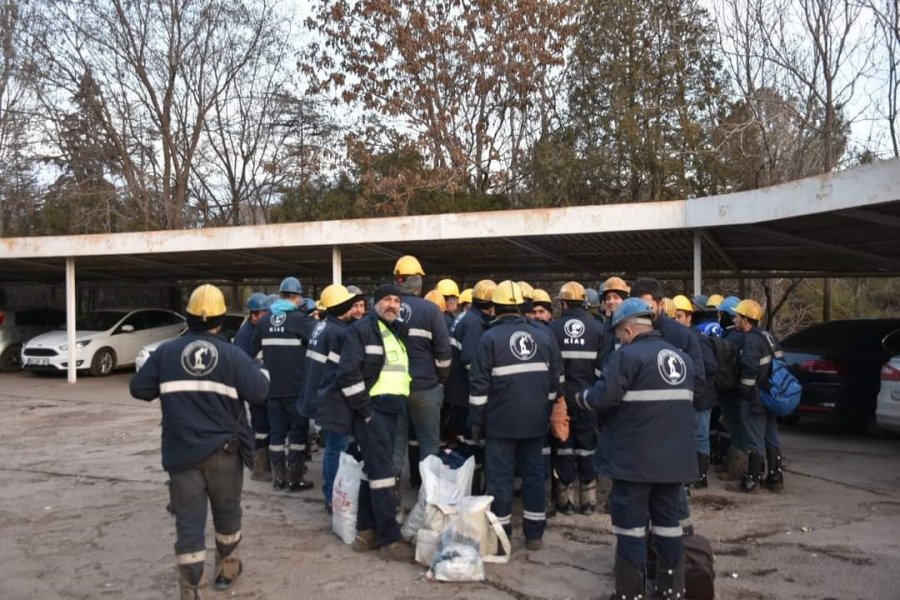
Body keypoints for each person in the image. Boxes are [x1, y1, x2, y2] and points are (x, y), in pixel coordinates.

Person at [130, 284, 269, 599]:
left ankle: (192, 589)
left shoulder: (166, 352)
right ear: (221, 317)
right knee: (227, 514)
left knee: (189, 525)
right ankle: (228, 568)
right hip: (225, 454)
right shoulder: (234, 355)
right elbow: (260, 393)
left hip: (182, 455)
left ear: (189, 316)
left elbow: (139, 389)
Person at [573, 298, 695, 600]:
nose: (618, 340)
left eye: (618, 334)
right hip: (674, 461)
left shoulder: (626, 357)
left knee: (630, 528)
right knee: (668, 525)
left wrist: (580, 398)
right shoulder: (681, 359)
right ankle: (671, 590)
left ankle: (630, 593)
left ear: (628, 330)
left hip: (635, 461)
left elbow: (604, 398)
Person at [468, 280, 562, 551]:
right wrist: (542, 411)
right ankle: (534, 534)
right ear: (524, 306)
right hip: (535, 424)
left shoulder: (488, 339)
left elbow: (479, 389)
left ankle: (501, 535)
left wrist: (477, 423)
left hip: (500, 425)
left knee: (500, 480)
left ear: (495, 307)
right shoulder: (543, 336)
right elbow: (554, 381)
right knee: (534, 477)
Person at [339, 284, 415, 561]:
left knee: (372, 470)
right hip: (374, 412)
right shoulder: (361, 331)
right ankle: (390, 539)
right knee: (383, 474)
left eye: (396, 300)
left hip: (391, 409)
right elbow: (348, 375)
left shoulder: (395, 331)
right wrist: (366, 412)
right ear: (375, 303)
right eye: (386, 299)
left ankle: (367, 531)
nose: (392, 304)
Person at [300, 284, 363, 513]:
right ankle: (332, 498)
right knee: (337, 447)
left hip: (318, 395)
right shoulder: (339, 333)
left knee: (333, 447)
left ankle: (331, 494)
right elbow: (342, 371)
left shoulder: (321, 327)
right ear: (340, 307)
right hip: (332, 399)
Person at [391, 256, 452, 489]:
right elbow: (444, 355)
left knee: (396, 445)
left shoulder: (383, 310)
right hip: (425, 387)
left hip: (393, 389)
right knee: (429, 444)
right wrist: (441, 381)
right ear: (418, 282)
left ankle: (391, 500)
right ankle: (428, 501)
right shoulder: (430, 310)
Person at [251, 276, 316, 492]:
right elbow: (319, 339)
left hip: (272, 389)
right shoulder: (300, 320)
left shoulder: (263, 321)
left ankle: (278, 478)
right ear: (297, 297)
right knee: (297, 435)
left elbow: (253, 352)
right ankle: (294, 479)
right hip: (296, 389)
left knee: (276, 435)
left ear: (280, 295)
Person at [549, 281, 608, 516]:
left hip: (562, 399)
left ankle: (566, 501)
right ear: (585, 303)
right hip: (588, 399)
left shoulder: (553, 328)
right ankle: (589, 500)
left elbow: (554, 368)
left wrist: (560, 394)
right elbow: (602, 369)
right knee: (587, 447)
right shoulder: (598, 329)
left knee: (563, 445)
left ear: (563, 304)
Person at [444, 280, 496, 492]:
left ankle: (467, 489)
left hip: (457, 392)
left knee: (466, 443)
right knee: (472, 444)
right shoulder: (475, 323)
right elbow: (470, 360)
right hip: (466, 394)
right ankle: (472, 493)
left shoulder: (467, 317)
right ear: (490, 305)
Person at [730, 299, 785, 493]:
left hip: (756, 397)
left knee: (754, 436)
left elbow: (749, 370)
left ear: (745, 319)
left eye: (737, 316)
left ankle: (752, 480)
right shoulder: (768, 336)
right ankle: (776, 477)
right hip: (772, 395)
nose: (735, 319)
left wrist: (745, 393)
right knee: (771, 435)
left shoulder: (750, 340)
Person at [672, 295, 718, 489]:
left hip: (701, 396)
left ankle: (700, 476)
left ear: (689, 318)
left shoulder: (698, 339)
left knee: (700, 435)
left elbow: (710, 367)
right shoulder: (672, 338)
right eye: (673, 316)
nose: (676, 321)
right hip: (684, 397)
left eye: (680, 316)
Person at [232, 292, 272, 482]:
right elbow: (243, 365)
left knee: (268, 425)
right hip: (254, 387)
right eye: (264, 314)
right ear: (254, 315)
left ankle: (266, 464)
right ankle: (259, 467)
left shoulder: (260, 328)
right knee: (260, 426)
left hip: (264, 383)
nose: (267, 317)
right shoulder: (244, 335)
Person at [715, 296, 749, 481]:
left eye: (722, 314)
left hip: (731, 390)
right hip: (736, 390)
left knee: (737, 428)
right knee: (735, 427)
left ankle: (738, 469)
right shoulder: (739, 336)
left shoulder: (732, 338)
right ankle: (734, 463)